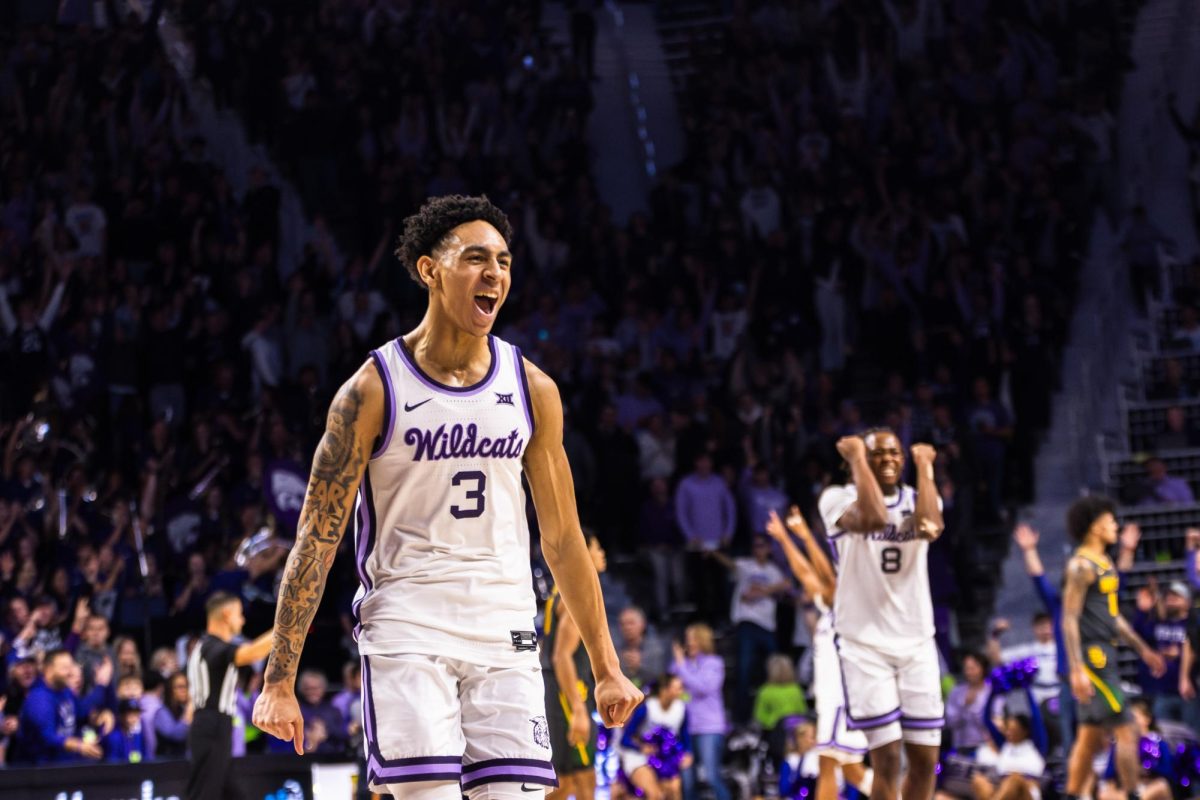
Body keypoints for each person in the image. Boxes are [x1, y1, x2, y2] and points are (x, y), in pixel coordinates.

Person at [252, 195, 641, 799]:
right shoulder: (372, 389)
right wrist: (280, 678)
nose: (496, 274)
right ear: (430, 270)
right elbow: (318, 535)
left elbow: (564, 539)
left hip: (506, 631)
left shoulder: (532, 388)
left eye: (506, 262)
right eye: (476, 259)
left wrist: (607, 667)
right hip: (408, 628)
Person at [818, 430, 944, 800]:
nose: (888, 459)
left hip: (917, 641)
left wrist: (925, 466)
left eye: (895, 453)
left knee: (924, 759)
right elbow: (873, 519)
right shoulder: (836, 498)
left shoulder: (919, 498)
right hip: (864, 644)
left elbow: (929, 527)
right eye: (878, 454)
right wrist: (857, 458)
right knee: (886, 759)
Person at [1060, 496, 1166, 800]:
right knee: (1127, 728)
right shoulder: (1081, 565)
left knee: (1089, 734)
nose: (1115, 526)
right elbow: (1069, 619)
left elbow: (1113, 616)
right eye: (1110, 521)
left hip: (1107, 653)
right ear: (1094, 527)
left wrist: (1142, 649)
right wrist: (1077, 667)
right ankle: (1133, 794)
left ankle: (1069, 795)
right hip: (1093, 659)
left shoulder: (1104, 563)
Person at [766, 507, 871, 800]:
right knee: (851, 772)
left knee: (827, 763)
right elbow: (808, 575)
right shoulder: (831, 611)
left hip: (844, 699)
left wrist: (804, 537)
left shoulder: (849, 607)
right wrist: (786, 539)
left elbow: (824, 575)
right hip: (835, 699)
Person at [186, 592, 274, 800]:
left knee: (229, 792)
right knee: (204, 793)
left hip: (212, 724)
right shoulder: (212, 647)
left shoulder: (203, 646)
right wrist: (288, 627)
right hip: (212, 723)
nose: (242, 619)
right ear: (226, 614)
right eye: (239, 614)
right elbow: (251, 653)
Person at [543, 535, 608, 800]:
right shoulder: (576, 592)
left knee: (569, 780)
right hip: (567, 695)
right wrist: (579, 708)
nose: (602, 553)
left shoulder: (561, 589)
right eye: (597, 547)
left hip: (559, 692)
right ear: (583, 552)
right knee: (577, 781)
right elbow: (561, 656)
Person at [708, 534, 790, 722]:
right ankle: (741, 718)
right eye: (755, 546)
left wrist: (763, 591)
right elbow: (729, 563)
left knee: (776, 669)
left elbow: (786, 585)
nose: (758, 549)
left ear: (769, 549)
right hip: (747, 622)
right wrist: (713, 552)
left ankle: (778, 713)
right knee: (743, 670)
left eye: (762, 546)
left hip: (767, 625)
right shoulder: (746, 565)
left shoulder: (773, 570)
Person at [12, 648, 109, 763]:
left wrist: (100, 715)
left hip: (63, 765)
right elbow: (48, 737)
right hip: (38, 771)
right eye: (64, 668)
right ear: (48, 670)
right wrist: (78, 745)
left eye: (71, 666)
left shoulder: (64, 690)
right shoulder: (38, 698)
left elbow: (80, 710)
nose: (71, 672)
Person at [671, 623, 731, 800]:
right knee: (687, 780)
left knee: (712, 776)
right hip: (686, 729)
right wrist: (680, 666)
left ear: (702, 640)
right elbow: (671, 687)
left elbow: (704, 687)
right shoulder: (680, 664)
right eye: (687, 638)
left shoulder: (714, 663)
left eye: (693, 638)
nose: (689, 643)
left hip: (710, 728)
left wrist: (682, 668)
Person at [619, 675, 694, 800]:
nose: (681, 692)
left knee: (674, 791)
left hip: (665, 758)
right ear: (664, 690)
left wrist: (688, 752)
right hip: (640, 757)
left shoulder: (681, 708)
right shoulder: (648, 707)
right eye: (678, 688)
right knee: (655, 795)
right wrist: (641, 747)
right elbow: (625, 739)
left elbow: (684, 734)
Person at [945, 653, 991, 755]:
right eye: (966, 669)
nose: (969, 672)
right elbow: (950, 722)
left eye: (973, 668)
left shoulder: (991, 691)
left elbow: (992, 721)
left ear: (982, 668)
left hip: (987, 746)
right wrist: (964, 706)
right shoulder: (956, 692)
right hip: (961, 747)